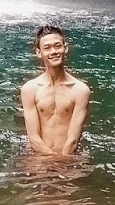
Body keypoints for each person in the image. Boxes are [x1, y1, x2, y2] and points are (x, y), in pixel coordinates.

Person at [20, 24, 90, 157]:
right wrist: (51, 160)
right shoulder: (29, 89)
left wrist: (61, 163)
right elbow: (33, 138)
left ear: (66, 48)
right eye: (47, 48)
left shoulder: (80, 90)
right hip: (39, 157)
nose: (53, 51)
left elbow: (73, 141)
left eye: (57, 46)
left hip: (69, 157)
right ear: (39, 53)